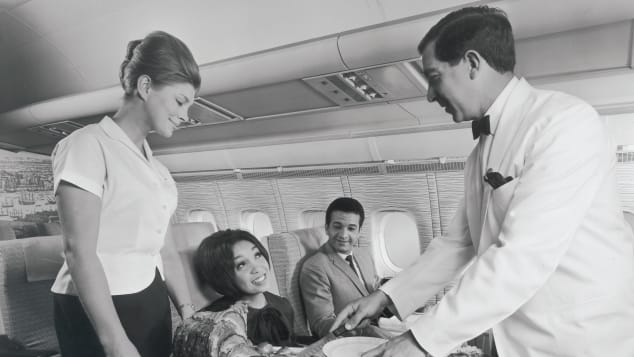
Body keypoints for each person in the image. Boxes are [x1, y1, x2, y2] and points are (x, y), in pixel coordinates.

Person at [331, 6, 634, 357]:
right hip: (519, 342)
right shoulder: (480, 154)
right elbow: (458, 243)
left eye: (434, 76)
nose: (429, 94)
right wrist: (385, 296)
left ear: (472, 63)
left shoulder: (563, 124)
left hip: (578, 342)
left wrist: (417, 342)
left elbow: (523, 256)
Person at [51, 31, 201, 357]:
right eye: (180, 101)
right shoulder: (86, 145)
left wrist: (188, 312)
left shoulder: (159, 171)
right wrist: (115, 341)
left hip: (149, 296)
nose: (186, 115)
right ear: (145, 87)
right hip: (97, 306)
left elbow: (167, 251)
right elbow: (79, 252)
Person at [193, 229, 295, 347]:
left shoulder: (283, 305)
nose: (257, 267)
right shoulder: (219, 321)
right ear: (222, 275)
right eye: (241, 264)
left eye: (257, 255)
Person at [299, 197, 384, 338]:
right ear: (327, 228)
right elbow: (322, 324)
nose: (344, 235)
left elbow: (375, 295)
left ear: (359, 231)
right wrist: (367, 330)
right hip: (352, 340)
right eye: (337, 226)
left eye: (351, 228)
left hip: (383, 326)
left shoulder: (364, 254)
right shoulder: (315, 267)